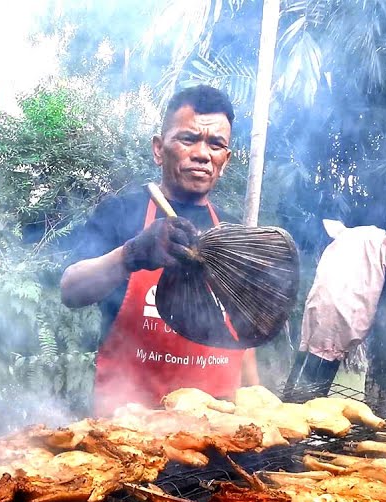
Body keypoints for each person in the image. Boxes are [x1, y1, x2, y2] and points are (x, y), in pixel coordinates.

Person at [60, 85, 259, 415]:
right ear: (158, 149)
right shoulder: (120, 214)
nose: (202, 153)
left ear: (225, 160)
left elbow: (243, 333)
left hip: (221, 432)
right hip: (129, 430)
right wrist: (132, 254)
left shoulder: (236, 233)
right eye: (188, 139)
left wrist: (258, 409)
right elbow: (70, 290)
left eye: (215, 144)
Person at [288, 219, 386, 397]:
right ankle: (300, 401)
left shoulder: (350, 242)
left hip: (324, 317)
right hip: (331, 320)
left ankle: (297, 399)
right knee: (312, 379)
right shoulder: (366, 243)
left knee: (309, 377)